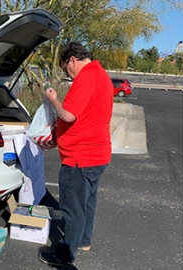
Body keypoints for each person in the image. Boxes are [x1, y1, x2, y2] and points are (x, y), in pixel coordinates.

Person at [38, 41, 113, 268]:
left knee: (72, 208)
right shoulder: (101, 75)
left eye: (65, 68)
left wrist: (53, 100)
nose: (66, 73)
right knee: (87, 202)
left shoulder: (87, 76)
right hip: (98, 153)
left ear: (73, 60)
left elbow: (68, 114)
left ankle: (66, 255)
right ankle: (83, 240)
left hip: (80, 157)